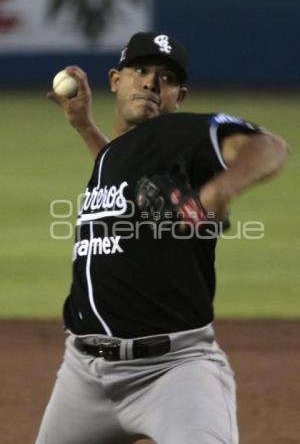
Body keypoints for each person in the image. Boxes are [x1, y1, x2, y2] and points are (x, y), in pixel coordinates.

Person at [36, 32, 288, 444]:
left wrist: (211, 197)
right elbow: (119, 172)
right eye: (141, 71)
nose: (152, 82)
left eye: (166, 78)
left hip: (173, 371)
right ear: (116, 80)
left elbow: (268, 147)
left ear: (179, 96)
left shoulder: (181, 133)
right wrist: (84, 126)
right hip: (83, 376)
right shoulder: (116, 155)